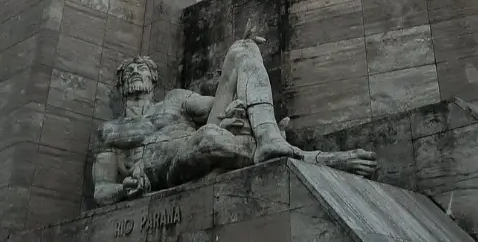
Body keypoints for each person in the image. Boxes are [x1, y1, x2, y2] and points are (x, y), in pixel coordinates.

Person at [93, 30, 376, 204]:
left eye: (140, 69)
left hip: (199, 140)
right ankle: (316, 159)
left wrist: (238, 106)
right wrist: (124, 189)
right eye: (128, 72)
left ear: (153, 79)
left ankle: (269, 137)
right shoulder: (112, 132)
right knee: (209, 136)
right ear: (120, 87)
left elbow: (217, 102)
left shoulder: (175, 100)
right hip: (169, 168)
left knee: (243, 48)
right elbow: (101, 190)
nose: (134, 73)